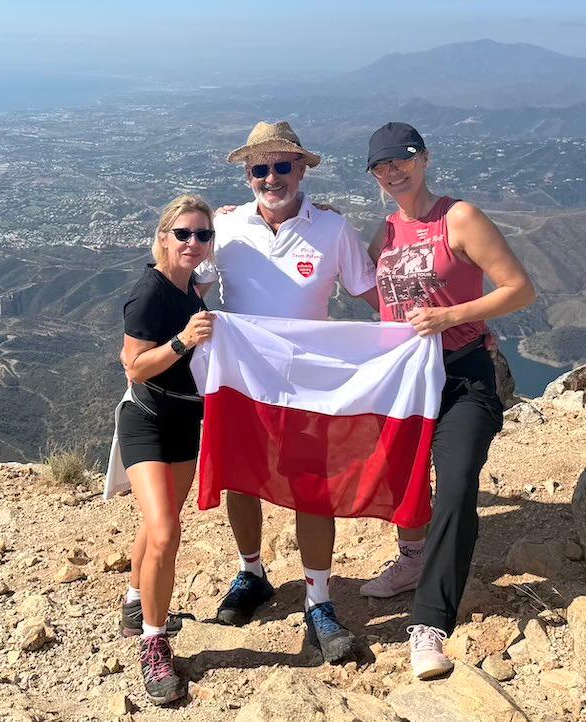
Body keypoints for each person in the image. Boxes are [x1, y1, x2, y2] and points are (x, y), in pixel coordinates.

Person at [195, 121, 381, 665]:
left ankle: (318, 600)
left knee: (312, 488)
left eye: (282, 166)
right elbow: (190, 287)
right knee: (242, 478)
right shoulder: (223, 228)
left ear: (302, 169)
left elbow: (373, 295)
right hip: (243, 379)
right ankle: (251, 572)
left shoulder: (332, 230)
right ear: (248, 175)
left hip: (308, 384)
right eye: (260, 168)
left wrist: (431, 332)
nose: (271, 177)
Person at [359, 122, 536, 679]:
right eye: (381, 166)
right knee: (405, 482)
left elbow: (519, 288)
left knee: (456, 484)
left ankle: (429, 625)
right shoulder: (383, 233)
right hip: (408, 382)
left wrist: (453, 318)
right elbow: (380, 300)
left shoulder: (457, 218)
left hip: (464, 377)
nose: (393, 172)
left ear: (424, 159)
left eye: (402, 160)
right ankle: (413, 562)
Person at [117, 194, 216, 705]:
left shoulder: (190, 290)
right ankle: (153, 645)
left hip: (184, 423)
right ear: (163, 236)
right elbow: (133, 366)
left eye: (203, 235)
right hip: (148, 421)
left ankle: (136, 603)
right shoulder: (150, 292)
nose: (194, 243)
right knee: (165, 531)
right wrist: (182, 342)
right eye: (184, 233)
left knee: (159, 525)